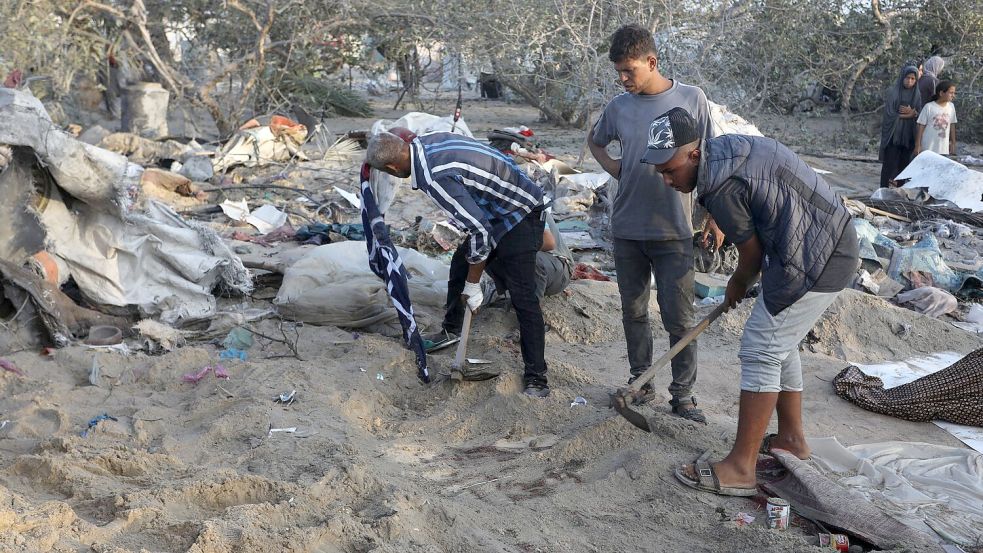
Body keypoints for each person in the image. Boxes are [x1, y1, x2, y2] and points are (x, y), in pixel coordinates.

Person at [642, 107, 859, 496]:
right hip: (820, 240)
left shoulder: (721, 185)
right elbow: (756, 196)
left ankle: (741, 468)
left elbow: (752, 259)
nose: (665, 178)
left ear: (693, 154)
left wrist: (737, 284)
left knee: (761, 346)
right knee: (779, 342)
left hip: (816, 256)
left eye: (669, 169)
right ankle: (791, 440)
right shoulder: (723, 151)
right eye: (658, 171)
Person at [588, 24, 721, 422]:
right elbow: (596, 141)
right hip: (627, 227)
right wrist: (618, 169)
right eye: (619, 73)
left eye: (629, 71)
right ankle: (640, 382)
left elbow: (712, 158)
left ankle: (683, 397)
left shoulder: (691, 100)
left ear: (652, 61)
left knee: (678, 317)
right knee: (633, 312)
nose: (623, 79)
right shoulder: (618, 107)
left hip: (674, 230)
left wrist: (713, 216)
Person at [365, 130, 552, 397]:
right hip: (496, 204)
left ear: (394, 168)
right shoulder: (427, 141)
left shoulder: (433, 176)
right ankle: (452, 330)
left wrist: (473, 285)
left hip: (520, 209)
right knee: (460, 264)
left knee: (523, 295)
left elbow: (479, 231)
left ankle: (537, 377)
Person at [879, 65, 922, 188]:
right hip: (894, 135)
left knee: (904, 164)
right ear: (902, 77)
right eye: (907, 78)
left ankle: (900, 189)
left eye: (913, 79)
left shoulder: (917, 94)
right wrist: (909, 115)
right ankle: (883, 188)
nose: (910, 81)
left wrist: (914, 113)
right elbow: (889, 114)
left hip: (909, 135)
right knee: (889, 163)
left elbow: (919, 114)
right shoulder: (893, 92)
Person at [915, 80, 957, 156]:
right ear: (941, 93)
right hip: (928, 147)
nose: (953, 95)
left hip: (943, 148)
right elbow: (921, 126)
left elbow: (952, 125)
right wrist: (918, 145)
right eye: (951, 93)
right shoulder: (929, 107)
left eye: (954, 93)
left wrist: (953, 143)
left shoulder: (951, 107)